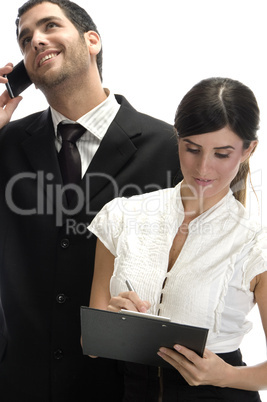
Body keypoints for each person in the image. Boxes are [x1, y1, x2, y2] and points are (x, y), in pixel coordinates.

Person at [0, 1, 181, 401]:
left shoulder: (170, 148)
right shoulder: (6, 143)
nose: (36, 41)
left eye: (49, 26)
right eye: (25, 38)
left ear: (91, 40)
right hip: (20, 384)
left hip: (124, 386)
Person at [88, 77, 267, 401]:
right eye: (192, 149)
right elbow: (92, 348)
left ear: (248, 150)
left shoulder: (256, 242)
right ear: (178, 138)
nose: (203, 167)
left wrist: (225, 375)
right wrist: (114, 321)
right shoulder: (122, 215)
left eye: (222, 154)